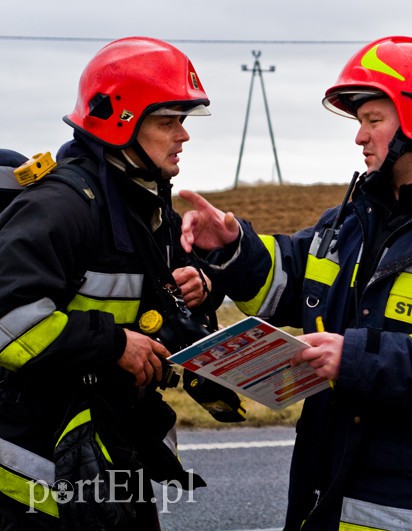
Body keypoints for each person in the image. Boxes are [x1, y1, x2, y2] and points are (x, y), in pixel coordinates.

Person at [180, 36, 412, 530]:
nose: (360, 137)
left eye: (374, 121)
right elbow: (286, 282)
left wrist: (353, 358)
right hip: (324, 488)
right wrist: (232, 246)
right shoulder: (348, 222)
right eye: (359, 123)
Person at [0, 36, 219, 530]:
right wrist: (113, 344)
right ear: (120, 123)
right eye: (168, 121)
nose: (182, 135)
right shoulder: (63, 206)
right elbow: (6, 319)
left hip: (108, 452)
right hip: (36, 477)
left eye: (183, 120)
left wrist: (195, 289)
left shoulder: (142, 207)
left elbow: (144, 309)